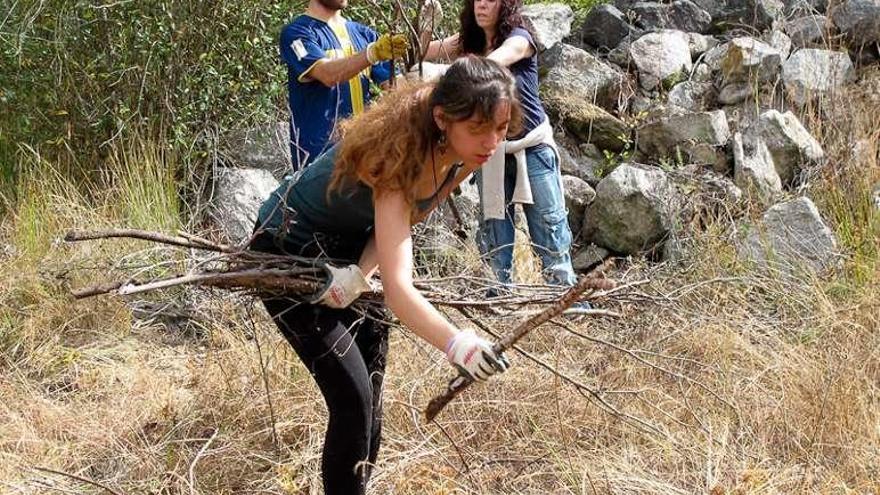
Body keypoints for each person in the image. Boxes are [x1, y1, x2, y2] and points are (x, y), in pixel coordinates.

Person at [251, 56, 515, 495]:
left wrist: (358, 273)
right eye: (479, 129)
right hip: (289, 250)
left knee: (371, 398)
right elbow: (399, 290)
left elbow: (403, 221)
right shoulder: (398, 155)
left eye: (501, 129)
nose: (491, 143)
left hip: (348, 252)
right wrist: (458, 343)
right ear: (442, 120)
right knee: (352, 401)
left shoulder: (466, 152)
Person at [420, 0, 579, 291]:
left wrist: (443, 73)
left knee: (550, 233)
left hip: (532, 148)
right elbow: (420, 52)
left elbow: (496, 61)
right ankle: (498, 303)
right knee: (495, 239)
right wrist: (427, 21)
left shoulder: (520, 35)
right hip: (490, 152)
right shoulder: (468, 42)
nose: (482, 4)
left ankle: (567, 301)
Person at [280, 0, 409, 169]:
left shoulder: (365, 35)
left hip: (363, 154)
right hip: (318, 162)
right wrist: (371, 54)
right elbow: (327, 74)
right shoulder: (297, 33)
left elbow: (397, 89)